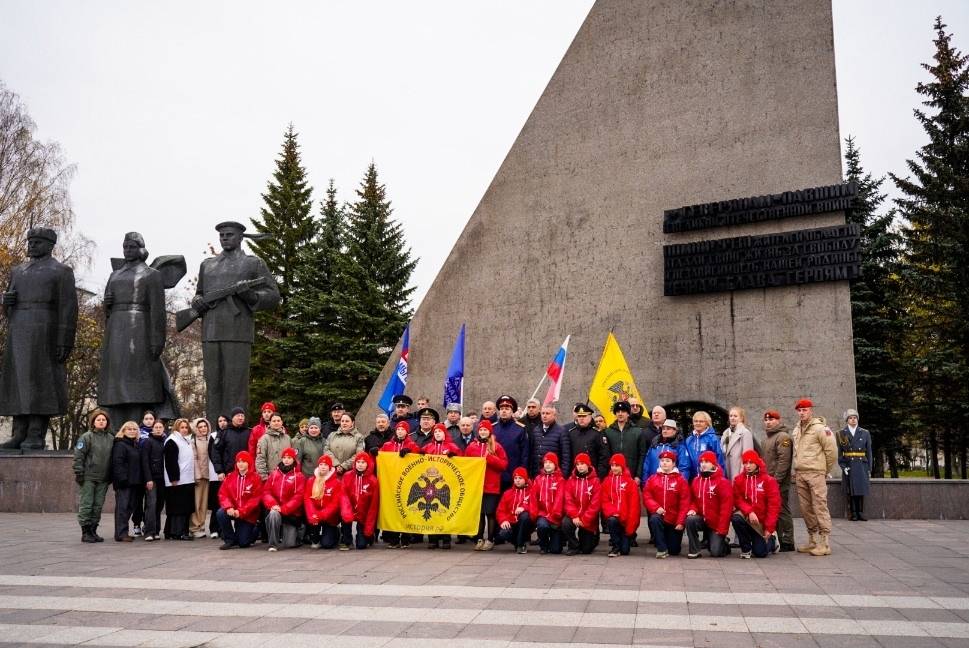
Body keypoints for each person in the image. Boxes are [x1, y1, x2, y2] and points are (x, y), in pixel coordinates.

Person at [0, 227, 78, 450]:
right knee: (18, 383)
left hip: (46, 330)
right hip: (19, 330)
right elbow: (8, 307)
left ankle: (35, 433)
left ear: (50, 245)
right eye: (30, 241)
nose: (32, 245)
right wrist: (7, 302)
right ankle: (19, 433)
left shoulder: (61, 271)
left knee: (41, 382)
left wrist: (65, 339)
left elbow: (69, 308)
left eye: (37, 242)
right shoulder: (18, 271)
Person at [194, 221, 280, 423]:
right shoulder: (207, 265)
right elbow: (199, 294)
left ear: (241, 237)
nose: (224, 238)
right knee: (213, 384)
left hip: (238, 332)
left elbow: (273, 295)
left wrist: (250, 296)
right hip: (211, 332)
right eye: (222, 235)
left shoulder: (253, 263)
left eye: (229, 234)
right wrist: (197, 301)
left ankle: (237, 430)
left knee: (236, 385)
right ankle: (213, 430)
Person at [97, 232, 171, 428]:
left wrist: (157, 339)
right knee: (116, 380)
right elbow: (106, 307)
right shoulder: (115, 274)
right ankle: (115, 427)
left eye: (131, 247)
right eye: (125, 247)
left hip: (140, 330)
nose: (127, 251)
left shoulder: (152, 275)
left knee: (138, 382)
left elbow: (158, 310)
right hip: (116, 330)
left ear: (141, 249)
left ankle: (138, 423)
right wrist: (108, 305)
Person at [792, 399, 837, 556]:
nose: (802, 413)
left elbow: (831, 451)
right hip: (800, 473)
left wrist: (824, 470)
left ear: (811, 410)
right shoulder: (797, 429)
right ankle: (812, 540)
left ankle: (824, 542)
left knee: (819, 506)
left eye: (805, 410)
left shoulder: (820, 428)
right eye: (799, 410)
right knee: (806, 509)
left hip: (816, 472)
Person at [466, 420, 508, 551]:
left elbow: (503, 464)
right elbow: (465, 463)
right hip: (477, 486)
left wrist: (490, 458)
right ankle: (479, 538)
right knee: (479, 514)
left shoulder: (497, 446)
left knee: (489, 513)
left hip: (491, 485)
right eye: (481, 430)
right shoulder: (472, 446)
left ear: (490, 431)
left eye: (485, 430)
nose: (483, 432)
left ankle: (490, 539)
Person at [731, 450, 781, 558]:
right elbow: (737, 499)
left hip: (761, 522)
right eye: (745, 463)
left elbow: (774, 506)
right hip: (748, 517)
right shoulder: (739, 480)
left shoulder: (769, 481)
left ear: (757, 463)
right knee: (736, 518)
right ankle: (746, 549)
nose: (747, 466)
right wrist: (749, 511)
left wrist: (769, 528)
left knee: (760, 553)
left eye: (750, 463)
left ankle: (772, 540)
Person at [73, 409, 114, 543]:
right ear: (93, 422)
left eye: (104, 420)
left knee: (97, 506)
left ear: (107, 422)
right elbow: (79, 456)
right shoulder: (86, 437)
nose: (101, 422)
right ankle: (85, 532)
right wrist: (79, 473)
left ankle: (93, 531)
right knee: (87, 504)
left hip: (103, 478)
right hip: (88, 477)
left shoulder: (111, 438)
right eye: (98, 420)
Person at [643, 449, 691, 558]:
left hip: (674, 521)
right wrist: (656, 507)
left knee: (674, 551)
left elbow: (685, 502)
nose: (664, 463)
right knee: (654, 518)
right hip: (659, 518)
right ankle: (662, 549)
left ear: (673, 463)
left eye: (668, 461)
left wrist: (680, 522)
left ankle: (667, 544)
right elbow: (647, 496)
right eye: (662, 460)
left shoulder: (681, 480)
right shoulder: (652, 479)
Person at [378, 422, 419, 549]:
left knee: (405, 509)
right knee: (393, 510)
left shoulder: (411, 444)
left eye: (403, 429)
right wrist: (374, 453)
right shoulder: (387, 445)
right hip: (391, 482)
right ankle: (393, 538)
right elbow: (380, 458)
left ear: (407, 432)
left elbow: (419, 457)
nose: (400, 431)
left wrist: (411, 452)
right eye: (398, 429)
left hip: (407, 482)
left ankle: (406, 538)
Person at [685, 451, 732, 558]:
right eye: (701, 462)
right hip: (702, 519)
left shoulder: (723, 482)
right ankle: (694, 550)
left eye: (707, 461)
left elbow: (726, 508)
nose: (703, 464)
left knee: (715, 553)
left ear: (714, 464)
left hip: (716, 523)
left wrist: (722, 529)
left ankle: (723, 542)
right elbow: (693, 500)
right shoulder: (696, 481)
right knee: (690, 520)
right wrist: (693, 509)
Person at [422, 423, 462, 549]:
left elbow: (462, 460)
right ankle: (432, 539)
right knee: (431, 509)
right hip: (430, 484)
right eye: (435, 432)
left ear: (445, 433)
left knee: (444, 510)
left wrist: (454, 456)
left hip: (447, 483)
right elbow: (417, 457)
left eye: (440, 431)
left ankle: (446, 538)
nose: (437, 434)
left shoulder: (452, 446)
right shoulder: (428, 447)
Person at [761, 409, 795, 551]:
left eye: (772, 419)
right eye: (766, 420)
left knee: (782, 510)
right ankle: (777, 538)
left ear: (778, 420)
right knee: (774, 509)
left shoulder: (783, 437)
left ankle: (787, 540)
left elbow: (784, 461)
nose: (768, 422)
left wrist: (776, 480)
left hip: (778, 482)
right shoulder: (767, 438)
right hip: (769, 481)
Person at [262, 446, 305, 551]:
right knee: (272, 514)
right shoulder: (274, 474)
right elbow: (266, 492)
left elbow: (299, 497)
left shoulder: (299, 476)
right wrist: (273, 505)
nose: (286, 460)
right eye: (284, 457)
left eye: (289, 458)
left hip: (291, 513)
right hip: (276, 509)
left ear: (294, 460)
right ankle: (273, 544)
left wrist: (284, 508)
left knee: (290, 544)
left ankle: (300, 530)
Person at [217, 451, 263, 550]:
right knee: (221, 513)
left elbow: (255, 500)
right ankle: (230, 540)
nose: (240, 464)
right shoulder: (230, 477)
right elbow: (223, 494)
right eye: (238, 461)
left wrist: (241, 512)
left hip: (248, 514)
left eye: (243, 461)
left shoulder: (256, 478)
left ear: (249, 463)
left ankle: (255, 529)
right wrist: (228, 507)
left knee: (243, 543)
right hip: (233, 511)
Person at [111, 421, 147, 542]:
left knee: (129, 508)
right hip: (125, 483)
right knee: (122, 508)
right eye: (129, 429)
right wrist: (123, 479)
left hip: (134, 482)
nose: (132, 431)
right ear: (124, 431)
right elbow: (118, 463)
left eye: (134, 429)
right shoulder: (120, 444)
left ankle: (123, 532)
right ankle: (121, 533)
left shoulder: (134, 444)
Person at [601, 454, 640, 557]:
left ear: (622, 466)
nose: (614, 468)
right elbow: (605, 501)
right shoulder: (606, 481)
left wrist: (630, 527)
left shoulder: (630, 483)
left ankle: (627, 537)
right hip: (614, 517)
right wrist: (613, 512)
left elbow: (634, 506)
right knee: (611, 520)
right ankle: (615, 546)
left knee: (625, 551)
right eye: (612, 465)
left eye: (617, 465)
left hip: (626, 520)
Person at [163, 418, 196, 540]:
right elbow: (170, 461)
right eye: (182, 427)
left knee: (185, 507)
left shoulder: (186, 440)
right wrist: (174, 478)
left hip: (187, 479)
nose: (184, 429)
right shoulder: (172, 440)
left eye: (186, 427)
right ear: (177, 428)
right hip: (177, 480)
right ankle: (177, 532)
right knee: (178, 508)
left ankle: (179, 531)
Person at [562, 452, 601, 555]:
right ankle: (573, 545)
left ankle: (594, 536)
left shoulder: (595, 481)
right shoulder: (571, 480)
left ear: (588, 464)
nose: (580, 467)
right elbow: (568, 500)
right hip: (575, 516)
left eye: (582, 464)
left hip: (588, 518)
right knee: (566, 523)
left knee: (587, 550)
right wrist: (574, 516)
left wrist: (585, 519)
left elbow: (595, 504)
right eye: (578, 464)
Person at [838, 409, 872, 522]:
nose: (853, 420)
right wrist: (843, 466)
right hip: (849, 464)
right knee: (851, 490)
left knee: (860, 489)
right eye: (850, 418)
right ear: (847, 420)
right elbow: (840, 453)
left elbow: (869, 451)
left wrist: (869, 467)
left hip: (861, 464)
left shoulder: (865, 432)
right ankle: (853, 513)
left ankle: (860, 512)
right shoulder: (842, 433)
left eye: (855, 417)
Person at [340, 452, 379, 550]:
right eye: (358, 462)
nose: (360, 465)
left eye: (363, 462)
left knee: (361, 545)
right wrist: (347, 512)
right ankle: (346, 539)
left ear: (368, 464)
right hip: (350, 510)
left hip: (364, 513)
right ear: (355, 463)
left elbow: (373, 506)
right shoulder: (347, 476)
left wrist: (369, 528)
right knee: (345, 519)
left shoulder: (373, 480)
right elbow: (343, 496)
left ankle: (368, 537)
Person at [529, 452, 565, 554]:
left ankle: (555, 540)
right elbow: (533, 498)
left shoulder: (560, 480)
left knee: (556, 550)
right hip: (542, 514)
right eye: (545, 462)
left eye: (550, 462)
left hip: (555, 517)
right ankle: (543, 545)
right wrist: (534, 514)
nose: (547, 465)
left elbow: (559, 499)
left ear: (555, 465)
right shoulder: (538, 479)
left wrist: (554, 516)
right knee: (542, 526)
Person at [190, 418, 220, 539]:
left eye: (205, 426)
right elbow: (194, 459)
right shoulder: (193, 441)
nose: (203, 429)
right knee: (197, 503)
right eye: (200, 427)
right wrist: (197, 476)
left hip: (210, 476)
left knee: (204, 504)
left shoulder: (210, 439)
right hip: (199, 477)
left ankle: (202, 526)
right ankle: (194, 527)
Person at [304, 455, 343, 549]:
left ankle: (336, 532)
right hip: (314, 516)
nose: (323, 467)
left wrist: (321, 515)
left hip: (329, 517)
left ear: (330, 467)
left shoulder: (337, 483)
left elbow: (335, 504)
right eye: (321, 464)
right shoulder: (311, 481)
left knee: (327, 544)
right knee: (314, 543)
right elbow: (307, 499)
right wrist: (313, 514)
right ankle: (315, 536)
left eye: (325, 465)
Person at [603, 401, 646, 485]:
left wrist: (638, 475)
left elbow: (642, 455)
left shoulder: (637, 431)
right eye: (618, 412)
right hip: (613, 475)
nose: (620, 414)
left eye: (623, 411)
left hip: (632, 475)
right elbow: (605, 455)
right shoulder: (608, 432)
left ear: (628, 414)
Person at [492, 395, 529, 491]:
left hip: (512, 476)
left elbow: (524, 455)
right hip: (494, 475)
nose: (504, 411)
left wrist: (521, 474)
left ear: (512, 411)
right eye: (502, 408)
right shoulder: (492, 428)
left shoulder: (520, 429)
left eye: (507, 408)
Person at [528, 404, 572, 477]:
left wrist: (563, 475)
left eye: (547, 413)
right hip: (537, 475)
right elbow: (532, 453)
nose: (544, 416)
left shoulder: (561, 431)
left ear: (554, 415)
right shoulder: (536, 430)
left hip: (554, 475)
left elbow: (566, 457)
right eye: (543, 413)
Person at [496, 467, 533, 554]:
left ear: (525, 479)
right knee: (503, 533)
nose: (517, 480)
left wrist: (524, 507)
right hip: (511, 522)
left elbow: (535, 506)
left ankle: (520, 544)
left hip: (525, 523)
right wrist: (503, 520)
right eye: (515, 478)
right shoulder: (507, 493)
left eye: (520, 478)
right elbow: (500, 510)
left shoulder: (531, 492)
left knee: (525, 516)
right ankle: (518, 543)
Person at [683, 410, 726, 483]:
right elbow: (686, 462)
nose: (698, 423)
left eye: (701, 421)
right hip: (693, 479)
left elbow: (719, 460)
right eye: (696, 421)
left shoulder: (713, 439)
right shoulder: (689, 440)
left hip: (710, 478)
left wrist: (720, 479)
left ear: (707, 423)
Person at [569, 403, 609, 478]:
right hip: (575, 477)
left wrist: (599, 476)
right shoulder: (571, 433)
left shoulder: (597, 434)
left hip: (592, 476)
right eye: (579, 416)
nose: (581, 418)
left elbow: (604, 457)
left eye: (584, 416)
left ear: (590, 417)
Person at [142, 419, 167, 542]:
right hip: (152, 479)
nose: (158, 429)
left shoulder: (165, 441)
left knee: (159, 505)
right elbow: (145, 461)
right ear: (152, 429)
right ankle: (148, 531)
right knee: (151, 504)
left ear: (163, 429)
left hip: (163, 479)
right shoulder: (148, 441)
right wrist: (148, 479)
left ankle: (156, 530)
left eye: (160, 427)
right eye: (156, 427)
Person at [721, 406, 755, 481]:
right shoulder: (726, 433)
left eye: (735, 416)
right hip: (726, 469)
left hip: (738, 470)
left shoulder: (745, 433)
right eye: (731, 416)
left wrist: (743, 473)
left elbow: (748, 456)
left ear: (741, 418)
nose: (732, 418)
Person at [256, 413, 292, 480]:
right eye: (274, 421)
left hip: (286, 477)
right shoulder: (264, 439)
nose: (276, 423)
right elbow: (260, 460)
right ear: (270, 423)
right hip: (271, 478)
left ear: (282, 422)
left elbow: (292, 458)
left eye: (278, 421)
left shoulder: (288, 438)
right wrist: (264, 478)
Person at [219, 407, 251, 477]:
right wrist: (220, 470)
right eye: (238, 416)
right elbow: (216, 452)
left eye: (242, 416)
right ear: (232, 418)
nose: (240, 418)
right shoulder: (224, 433)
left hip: (246, 471)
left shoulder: (249, 432)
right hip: (229, 471)